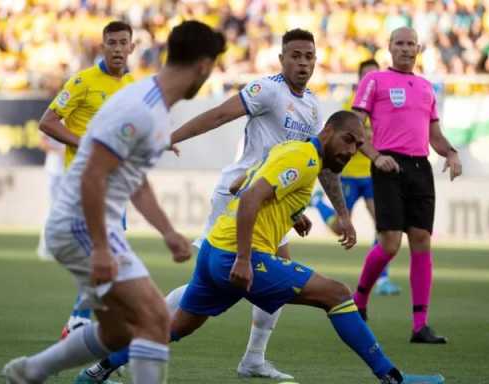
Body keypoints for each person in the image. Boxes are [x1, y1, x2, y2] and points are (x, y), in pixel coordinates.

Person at [79, 28, 356, 382]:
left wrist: (310, 211)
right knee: (214, 285)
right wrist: (171, 136)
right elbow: (220, 115)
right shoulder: (267, 89)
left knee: (256, 280)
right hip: (240, 197)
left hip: (271, 202)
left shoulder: (313, 106)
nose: (303, 63)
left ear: (316, 61)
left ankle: (252, 358)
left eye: (308, 57)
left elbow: (306, 163)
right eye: (295, 56)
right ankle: (144, 336)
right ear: (282, 58)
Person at [1, 20, 226, 384]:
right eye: (212, 66)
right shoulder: (139, 107)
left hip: (91, 224)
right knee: (154, 319)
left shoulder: (150, 102)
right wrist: (102, 248)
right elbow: (92, 174)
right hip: (80, 224)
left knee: (119, 332)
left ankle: (32, 371)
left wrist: (167, 231)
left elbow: (133, 181)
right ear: (203, 66)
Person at [171, 111, 444, 384]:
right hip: (238, 255)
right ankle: (393, 377)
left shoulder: (290, 149)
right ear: (327, 131)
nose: (351, 151)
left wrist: (290, 212)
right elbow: (249, 198)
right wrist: (243, 258)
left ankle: (125, 357)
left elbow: (237, 185)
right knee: (337, 294)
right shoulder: (306, 158)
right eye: (348, 140)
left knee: (177, 327)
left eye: (358, 146)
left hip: (213, 250)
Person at [351, 27, 462, 342]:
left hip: (420, 168)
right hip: (388, 165)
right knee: (389, 245)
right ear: (389, 48)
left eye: (410, 44)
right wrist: (374, 156)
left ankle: (419, 326)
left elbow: (435, 136)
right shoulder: (374, 81)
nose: (405, 49)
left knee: (422, 241)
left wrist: (452, 154)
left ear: (418, 48)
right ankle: (359, 300)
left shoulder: (426, 87)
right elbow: (355, 126)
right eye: (399, 43)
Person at [38, 21, 136, 341]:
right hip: (85, 182)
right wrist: (84, 143)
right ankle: (81, 322)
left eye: (124, 42)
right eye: (112, 43)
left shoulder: (134, 86)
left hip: (115, 184)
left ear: (132, 47)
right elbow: (48, 122)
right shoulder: (82, 81)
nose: (118, 48)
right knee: (106, 252)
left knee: (113, 256)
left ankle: (83, 323)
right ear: (102, 46)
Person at [311, 58, 402, 298]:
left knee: (384, 227)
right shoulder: (348, 108)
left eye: (375, 76)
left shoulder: (385, 108)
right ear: (360, 80)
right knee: (341, 229)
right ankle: (318, 203)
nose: (371, 81)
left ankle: (382, 278)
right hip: (349, 176)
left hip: (373, 176)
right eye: (367, 77)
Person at [37, 134, 65, 260]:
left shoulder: (77, 117)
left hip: (71, 169)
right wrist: (59, 151)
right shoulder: (53, 116)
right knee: (54, 210)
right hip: (55, 170)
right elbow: (42, 142)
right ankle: (46, 247)